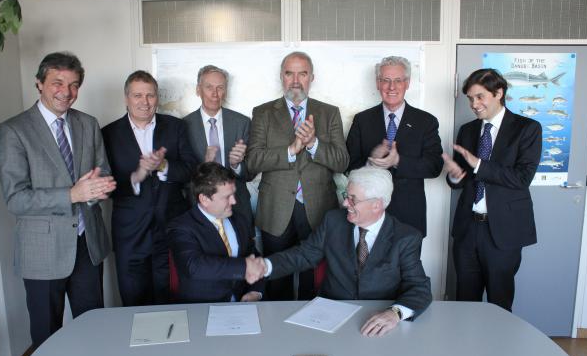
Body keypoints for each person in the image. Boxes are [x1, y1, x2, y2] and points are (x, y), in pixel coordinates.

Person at [0, 52, 116, 347]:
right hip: (41, 252)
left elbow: (104, 174)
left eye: (74, 85)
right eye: (57, 83)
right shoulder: (14, 130)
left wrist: (101, 188)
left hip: (87, 246)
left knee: (94, 331)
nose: (66, 92)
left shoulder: (88, 124)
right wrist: (72, 194)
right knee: (47, 336)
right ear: (39, 84)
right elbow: (16, 199)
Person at [250, 166, 431, 337]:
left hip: (377, 319)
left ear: (376, 205)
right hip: (330, 317)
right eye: (346, 195)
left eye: (352, 198)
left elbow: (419, 288)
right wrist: (265, 266)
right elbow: (304, 255)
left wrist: (395, 313)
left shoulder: (406, 238)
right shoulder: (333, 221)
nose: (345, 203)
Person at [246, 51, 349, 300]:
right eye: (289, 73)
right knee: (276, 277)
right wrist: (290, 150)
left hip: (318, 209)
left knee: (312, 280)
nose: (295, 80)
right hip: (276, 209)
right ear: (282, 77)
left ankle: (309, 332)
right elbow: (252, 162)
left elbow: (342, 161)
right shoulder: (263, 113)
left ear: (311, 77)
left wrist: (313, 143)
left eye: (302, 73)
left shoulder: (329, 113)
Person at [443, 68, 541, 311]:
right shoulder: (467, 130)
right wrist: (456, 177)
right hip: (467, 229)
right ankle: (465, 348)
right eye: (470, 98)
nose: (474, 104)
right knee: (464, 302)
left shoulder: (527, 128)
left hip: (503, 231)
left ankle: (498, 349)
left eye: (479, 97)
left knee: (500, 300)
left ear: (498, 93)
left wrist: (478, 165)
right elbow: (463, 179)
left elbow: (521, 178)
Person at [102, 70, 197, 306]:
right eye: (137, 95)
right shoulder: (107, 134)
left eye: (150, 95)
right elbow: (104, 185)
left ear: (157, 97)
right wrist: (136, 177)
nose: (144, 102)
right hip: (130, 235)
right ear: (126, 98)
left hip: (171, 230)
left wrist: (164, 165)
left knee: (173, 300)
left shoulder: (176, 127)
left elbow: (191, 171)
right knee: (134, 301)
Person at [346, 56, 442, 236]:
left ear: (407, 83)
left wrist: (398, 161)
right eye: (386, 80)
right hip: (368, 214)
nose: (392, 87)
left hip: (409, 215)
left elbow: (435, 166)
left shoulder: (426, 121)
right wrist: (371, 164)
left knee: (407, 265)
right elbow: (348, 165)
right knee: (366, 263)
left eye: (398, 80)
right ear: (377, 83)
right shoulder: (362, 120)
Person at [167, 162, 265, 303]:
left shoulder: (239, 219)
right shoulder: (181, 227)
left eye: (233, 194)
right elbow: (194, 266)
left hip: (242, 307)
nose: (234, 201)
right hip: (201, 310)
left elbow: (254, 258)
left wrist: (255, 292)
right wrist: (244, 267)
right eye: (227, 197)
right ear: (204, 199)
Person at [184, 65, 253, 227]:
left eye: (220, 88)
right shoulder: (183, 125)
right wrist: (204, 167)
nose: (215, 94)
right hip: (200, 204)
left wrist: (236, 165)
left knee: (241, 251)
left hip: (237, 203)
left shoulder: (242, 123)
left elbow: (250, 172)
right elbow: (182, 173)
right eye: (209, 87)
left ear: (225, 91)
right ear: (198, 90)